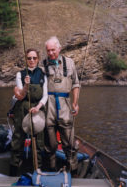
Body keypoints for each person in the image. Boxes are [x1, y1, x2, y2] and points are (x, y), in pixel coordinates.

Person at [43, 36, 80, 174]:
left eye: (53, 50)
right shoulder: (42, 65)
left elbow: (76, 84)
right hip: (49, 108)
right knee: (50, 145)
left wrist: (75, 104)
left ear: (59, 48)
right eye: (48, 51)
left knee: (69, 144)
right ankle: (51, 171)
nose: (51, 53)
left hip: (65, 107)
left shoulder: (70, 63)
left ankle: (74, 171)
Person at [10, 48, 48, 176]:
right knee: (18, 138)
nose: (32, 60)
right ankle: (14, 170)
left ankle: (37, 170)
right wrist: (26, 86)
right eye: (29, 58)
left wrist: (38, 107)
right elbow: (20, 95)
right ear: (26, 60)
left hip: (38, 109)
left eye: (34, 58)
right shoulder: (20, 74)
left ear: (38, 59)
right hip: (22, 109)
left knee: (38, 141)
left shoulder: (43, 74)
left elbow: (46, 95)